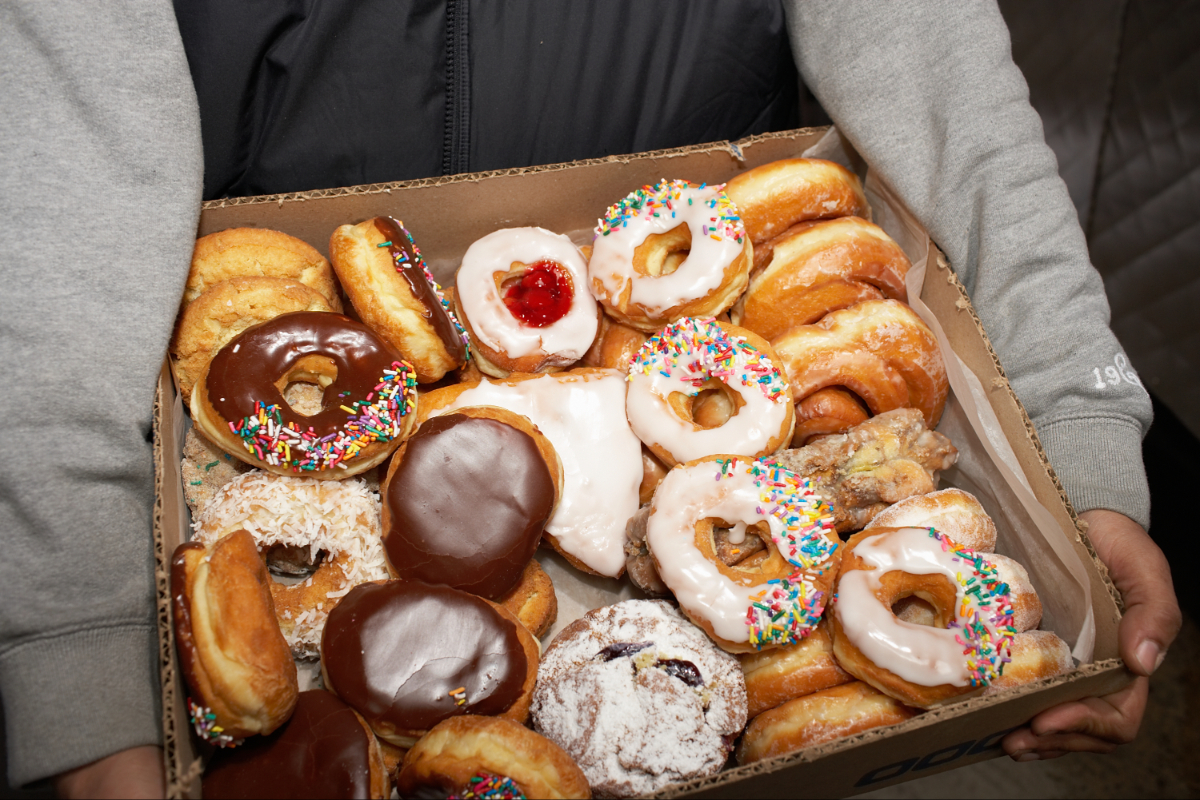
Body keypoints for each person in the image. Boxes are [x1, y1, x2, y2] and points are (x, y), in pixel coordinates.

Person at [0, 1, 1180, 796]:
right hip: (293, 334)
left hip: (673, 302)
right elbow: (60, 202)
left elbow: (944, 87)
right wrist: (77, 652)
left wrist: (1074, 416)